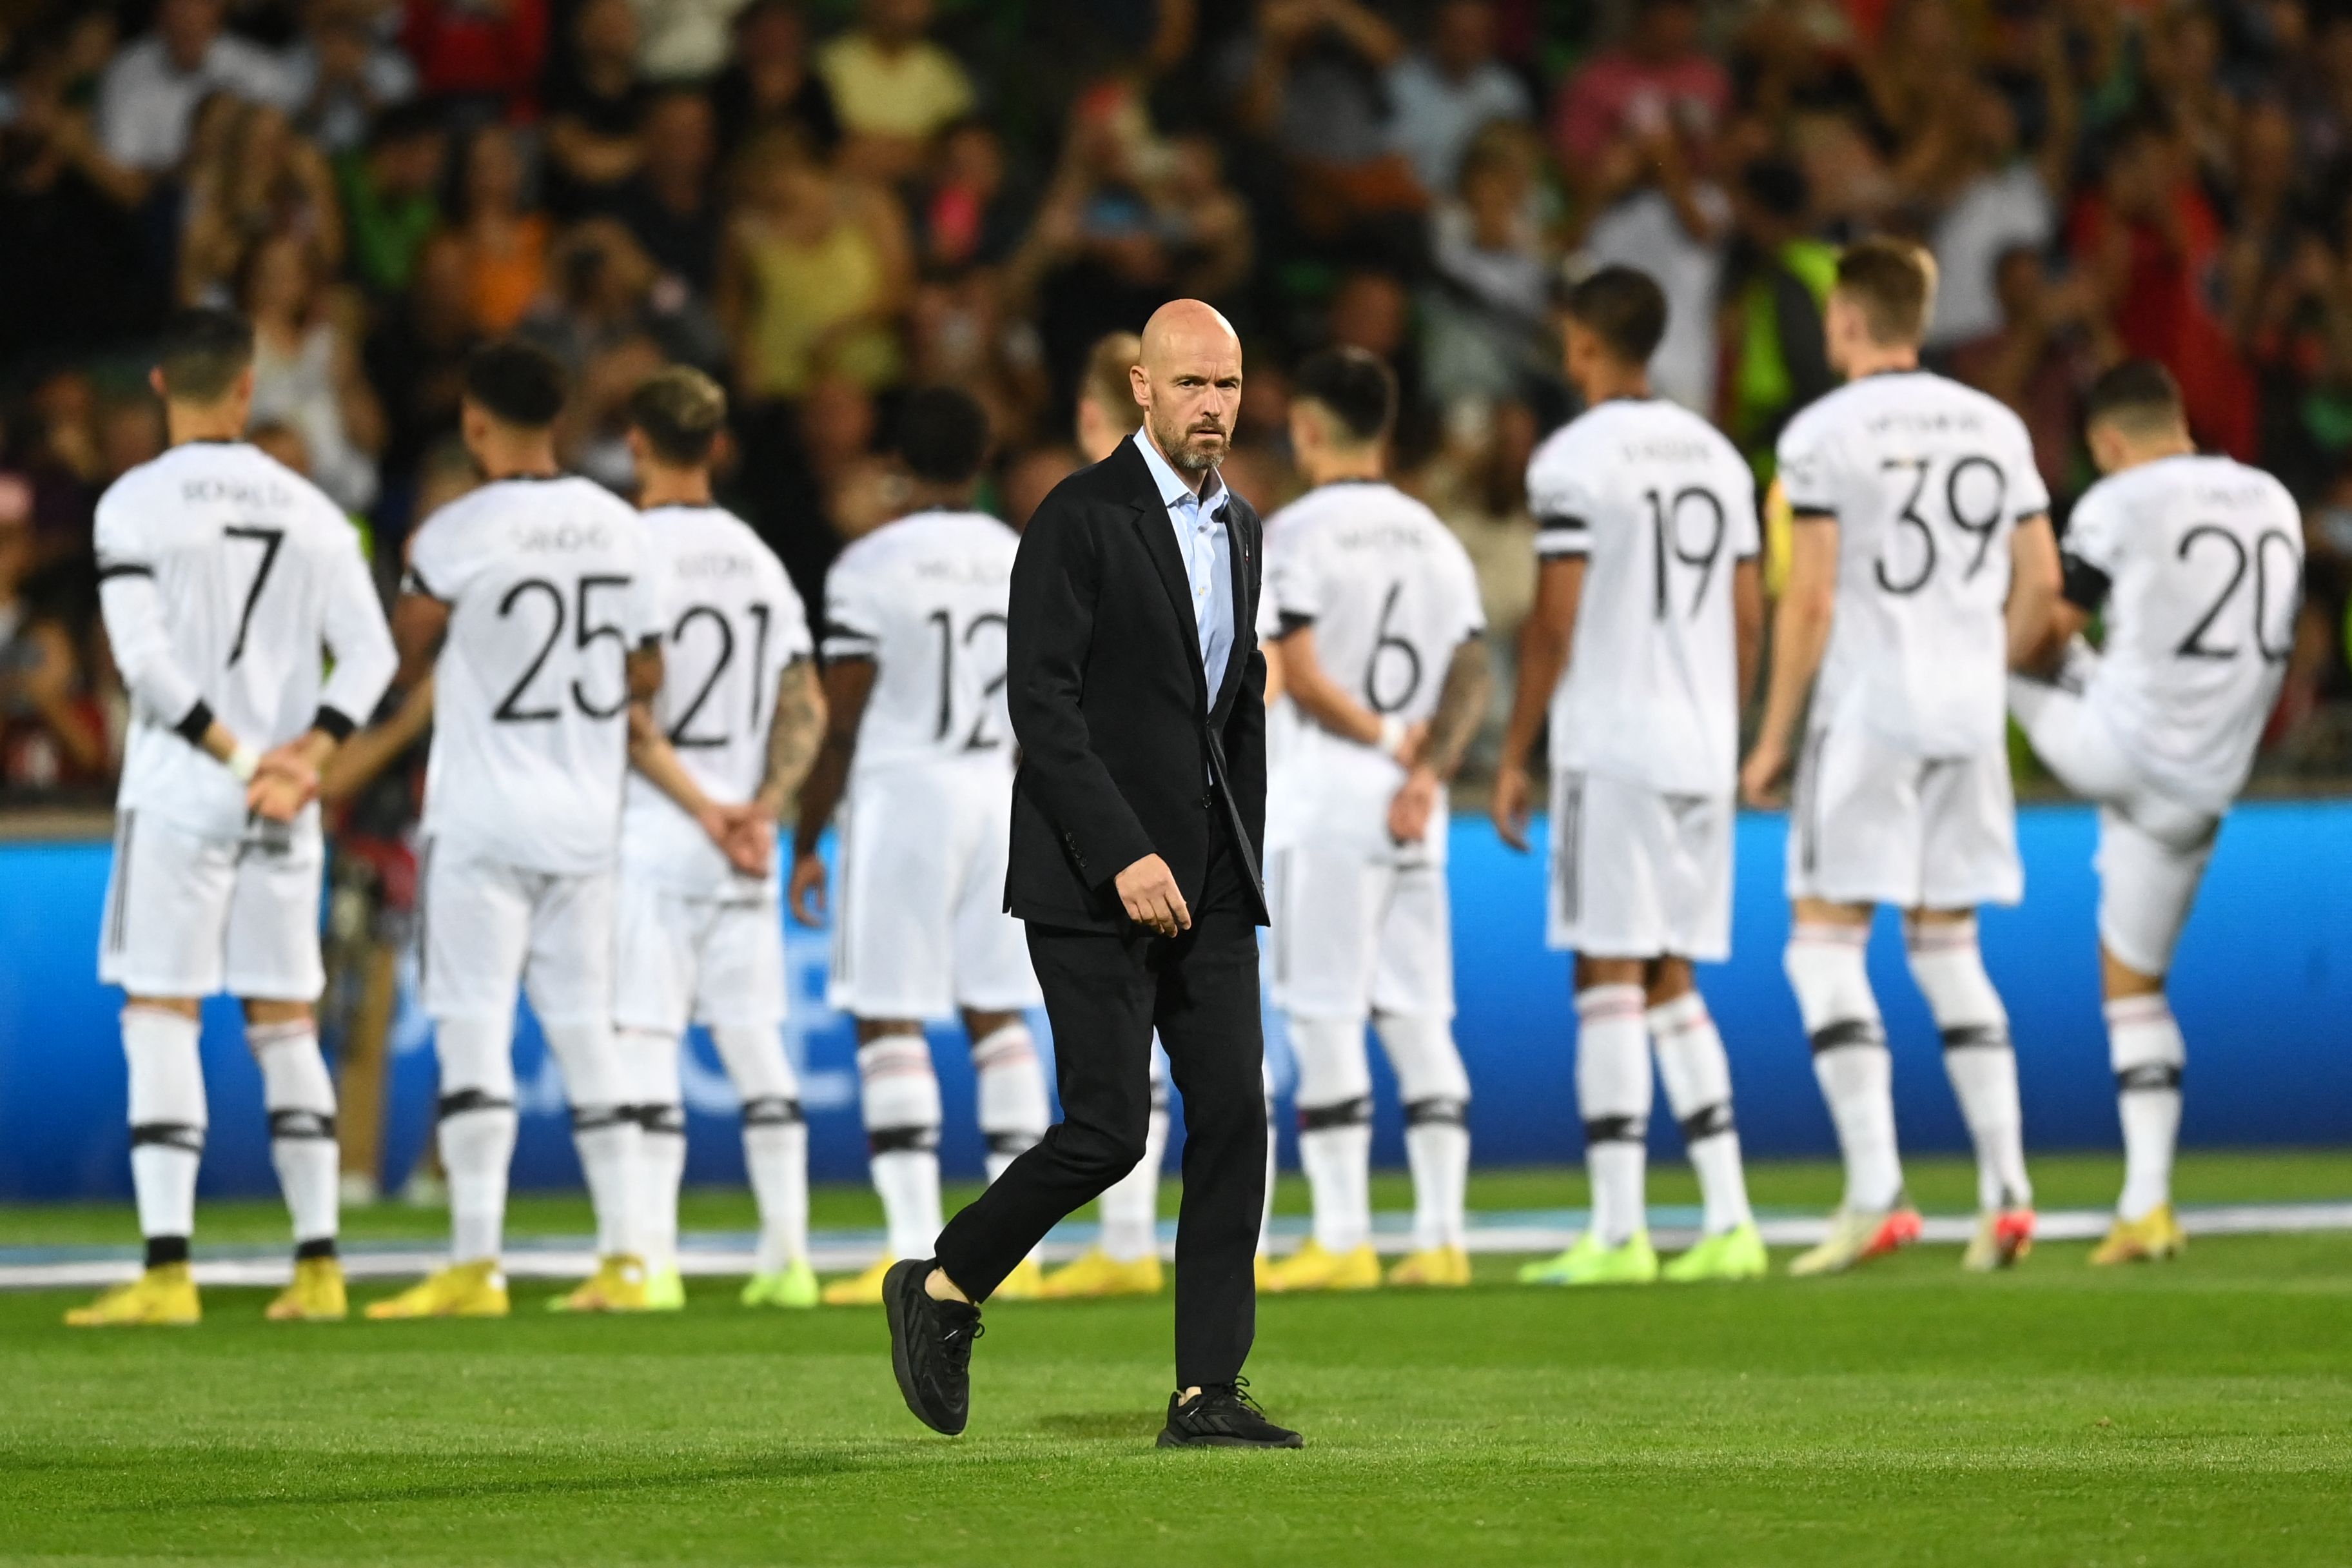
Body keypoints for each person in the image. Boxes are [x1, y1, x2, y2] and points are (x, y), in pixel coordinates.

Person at [883, 300, 1299, 1451]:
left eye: (1229, 384)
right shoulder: (1078, 517)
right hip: (1088, 877)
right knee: (1110, 1130)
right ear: (1142, 389)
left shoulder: (1242, 527)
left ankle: (1207, 1391)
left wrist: (1238, 856)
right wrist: (1124, 853)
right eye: (1192, 384)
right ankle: (944, 1286)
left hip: (1208, 881)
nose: (1214, 405)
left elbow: (1238, 703)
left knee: (1235, 1116)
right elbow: (1044, 709)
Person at [67, 308, 396, 1327]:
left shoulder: (134, 502)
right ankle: (320, 1267)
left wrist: (246, 759)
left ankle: (169, 1271)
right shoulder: (311, 507)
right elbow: (375, 655)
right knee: (286, 1020)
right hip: (285, 800)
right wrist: (307, 758)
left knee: (162, 1012)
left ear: (163, 383)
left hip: (185, 788)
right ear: (249, 388)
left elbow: (145, 666)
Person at [1739, 239, 2061, 1276]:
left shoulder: (1823, 432)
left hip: (1869, 709)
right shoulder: (1996, 426)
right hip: (1967, 717)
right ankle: (2007, 1193)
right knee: (1950, 950)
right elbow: (2043, 586)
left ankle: (1877, 1191)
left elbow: (1811, 596)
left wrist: (1772, 738)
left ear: (1846, 318)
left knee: (1823, 946)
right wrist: (1979, 670)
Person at [366, 341, 680, 1319]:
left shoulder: (455, 531)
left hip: (483, 815)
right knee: (587, 1032)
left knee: (473, 1028)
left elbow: (402, 654)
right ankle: (628, 1257)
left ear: (474, 423)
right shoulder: (620, 526)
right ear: (561, 416)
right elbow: (650, 672)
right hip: (585, 815)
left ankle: (475, 1262)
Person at [1491, 266, 1767, 1287]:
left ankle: (1618, 1230)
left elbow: (1555, 619)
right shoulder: (1718, 456)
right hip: (1701, 742)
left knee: (1606, 971)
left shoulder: (1573, 458)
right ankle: (1731, 1221)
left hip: (1613, 742)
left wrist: (1516, 751)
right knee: (1671, 974)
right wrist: (1727, 726)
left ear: (1581, 343)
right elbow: (1749, 615)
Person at [2010, 361, 2302, 1264]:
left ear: (2107, 443)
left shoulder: (2119, 500)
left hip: (2123, 748)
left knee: (1971, 641)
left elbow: (2051, 629)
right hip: (2206, 784)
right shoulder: (2273, 498)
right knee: (2133, 984)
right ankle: (2146, 1206)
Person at [789, 386, 1051, 1308]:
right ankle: (1022, 1252)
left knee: (888, 1013)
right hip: (998, 791)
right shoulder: (1022, 555)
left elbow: (842, 717)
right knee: (999, 1010)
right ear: (982, 463)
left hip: (903, 796)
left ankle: (910, 1246)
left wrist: (809, 836)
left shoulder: (870, 564)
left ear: (896, 461)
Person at [1254, 346, 1487, 1293]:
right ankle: (1442, 1237)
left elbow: (1300, 676)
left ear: (1308, 427)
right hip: (1415, 808)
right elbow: (1473, 669)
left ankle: (1343, 1236)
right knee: (1419, 1014)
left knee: (1325, 1014)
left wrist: (1387, 739)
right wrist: (1428, 768)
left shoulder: (1294, 535)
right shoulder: (1434, 538)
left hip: (1327, 802)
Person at [609, 367, 829, 1311]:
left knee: (644, 1037)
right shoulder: (756, 559)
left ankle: (650, 1263)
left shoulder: (626, 550)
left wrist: (704, 810)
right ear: (719, 447)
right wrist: (764, 808)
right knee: (753, 1041)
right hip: (746, 837)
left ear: (637, 444)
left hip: (660, 827)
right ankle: (789, 1259)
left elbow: (625, 709)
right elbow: (806, 702)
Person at [1034, 333, 1174, 1302]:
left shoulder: (1071, 519)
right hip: (1194, 821)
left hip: (1098, 823)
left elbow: (1045, 701)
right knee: (1185, 1053)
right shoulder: (1213, 518)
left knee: (1116, 1058)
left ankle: (1123, 1241)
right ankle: (1181, 1242)